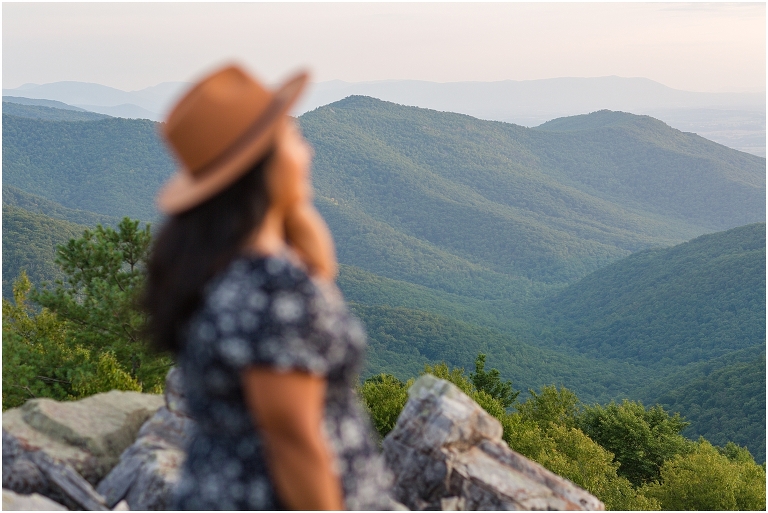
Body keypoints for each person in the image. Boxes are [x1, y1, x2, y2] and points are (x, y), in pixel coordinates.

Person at [143, 64, 393, 510]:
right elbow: (292, 441)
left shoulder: (221, 269)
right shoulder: (270, 292)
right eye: (294, 138)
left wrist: (286, 205)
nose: (308, 152)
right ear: (264, 164)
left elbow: (320, 273)